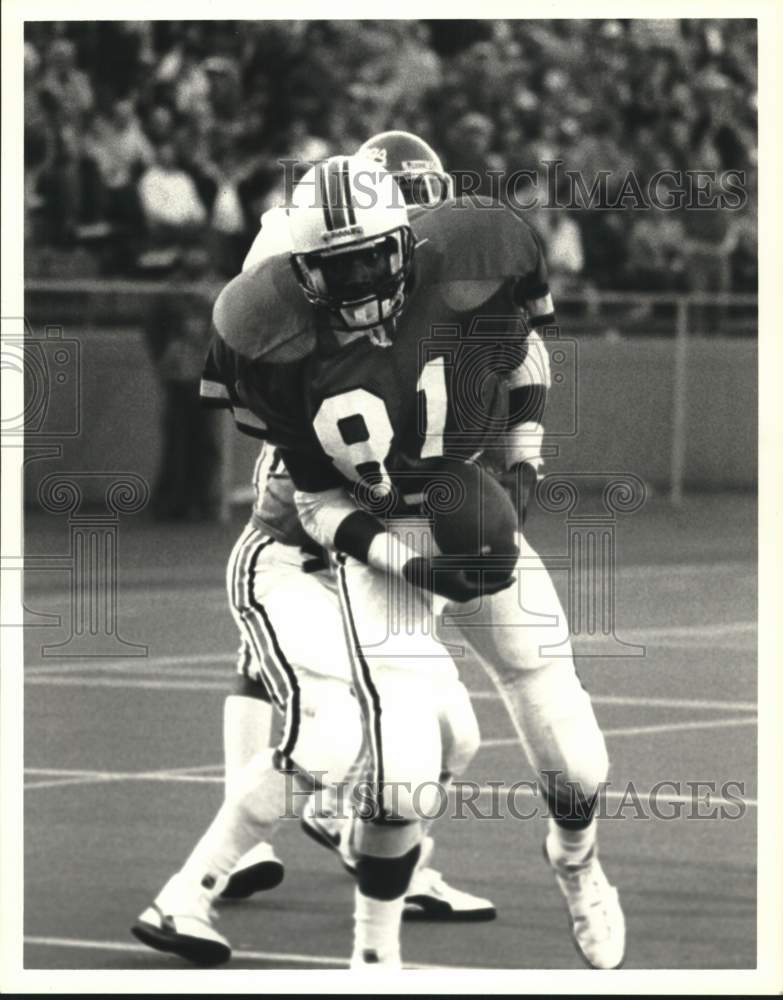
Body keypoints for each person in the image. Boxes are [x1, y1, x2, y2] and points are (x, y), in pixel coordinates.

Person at [135, 141, 623, 970]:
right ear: (301, 268)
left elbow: (523, 350)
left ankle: (572, 866)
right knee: (381, 763)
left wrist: (522, 461)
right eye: (338, 268)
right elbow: (312, 503)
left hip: (451, 509)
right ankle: (348, 942)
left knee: (532, 753)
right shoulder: (276, 326)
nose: (361, 287)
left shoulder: (473, 257)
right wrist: (407, 563)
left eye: (377, 259)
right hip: (347, 549)